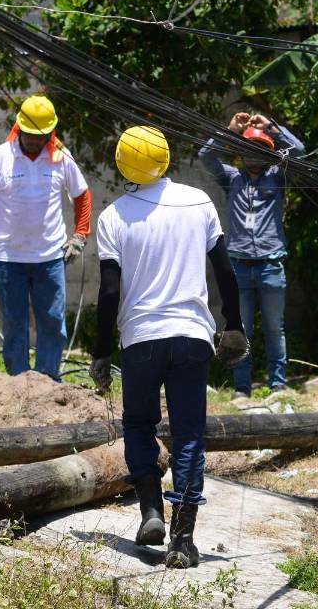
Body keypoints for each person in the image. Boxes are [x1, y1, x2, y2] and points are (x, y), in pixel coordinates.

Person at [90, 126, 248, 569]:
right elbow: (225, 271)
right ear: (165, 158)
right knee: (189, 434)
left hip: (140, 340)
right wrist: (232, 326)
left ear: (123, 165)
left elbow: (108, 293)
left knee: (139, 424)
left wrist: (102, 352)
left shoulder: (114, 216)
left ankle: (150, 509)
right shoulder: (199, 202)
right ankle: (182, 540)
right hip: (193, 336)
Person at [0, 95, 91, 380]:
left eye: (40, 136)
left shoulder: (61, 158)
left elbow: (82, 195)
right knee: (14, 325)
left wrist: (80, 236)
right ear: (19, 128)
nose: (34, 141)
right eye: (29, 135)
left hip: (50, 259)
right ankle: (19, 382)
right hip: (10, 260)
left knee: (53, 322)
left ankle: (47, 380)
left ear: (49, 133)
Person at [198, 111, 304, 397]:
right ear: (240, 154)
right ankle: (242, 389)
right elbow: (205, 156)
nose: (253, 155)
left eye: (259, 149)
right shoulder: (231, 179)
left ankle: (277, 385)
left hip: (271, 266)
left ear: (268, 153)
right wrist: (231, 131)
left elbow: (300, 152)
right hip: (239, 268)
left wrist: (270, 127)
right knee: (241, 330)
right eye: (247, 149)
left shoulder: (277, 177)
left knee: (274, 329)